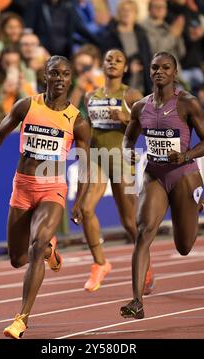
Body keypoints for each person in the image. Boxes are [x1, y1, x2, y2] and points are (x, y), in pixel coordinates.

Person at [0, 55, 91, 338]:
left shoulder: (77, 120)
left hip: (53, 188)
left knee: (35, 246)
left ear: (70, 79)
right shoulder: (27, 105)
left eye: (65, 74)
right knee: (17, 258)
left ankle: (21, 318)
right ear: (44, 76)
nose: (59, 79)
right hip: (22, 186)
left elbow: (86, 165)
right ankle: (50, 251)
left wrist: (80, 200)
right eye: (54, 73)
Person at [120, 51, 204, 319]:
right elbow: (128, 139)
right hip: (155, 175)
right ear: (149, 72)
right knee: (143, 232)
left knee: (184, 247)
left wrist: (186, 155)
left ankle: (194, 205)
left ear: (174, 72)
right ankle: (136, 301)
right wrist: (128, 152)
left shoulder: (187, 103)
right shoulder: (140, 107)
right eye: (154, 67)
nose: (159, 71)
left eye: (165, 67)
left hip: (184, 175)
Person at [81, 48, 154, 293]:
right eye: (108, 59)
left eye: (118, 60)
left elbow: (152, 127)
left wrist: (126, 118)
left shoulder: (132, 95)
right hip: (98, 158)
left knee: (129, 222)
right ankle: (100, 263)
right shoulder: (90, 96)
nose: (113, 63)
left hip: (122, 160)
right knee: (85, 208)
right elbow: (88, 132)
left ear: (125, 68)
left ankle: (146, 265)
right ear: (102, 65)